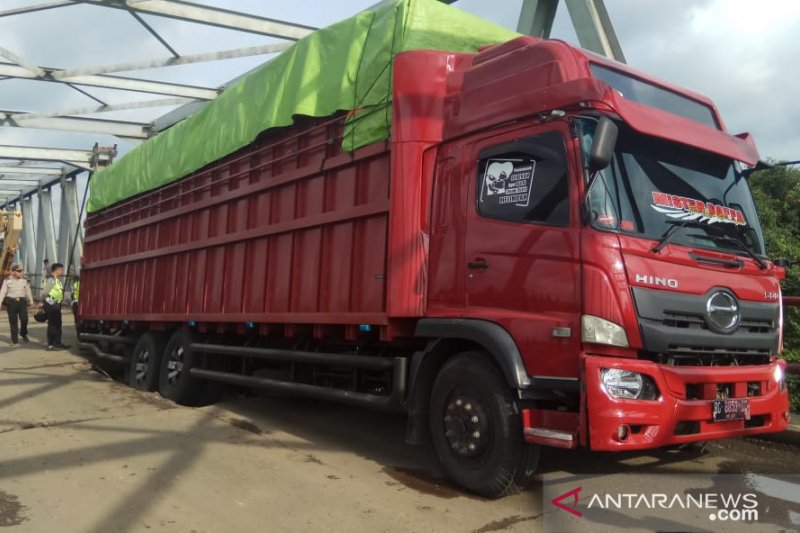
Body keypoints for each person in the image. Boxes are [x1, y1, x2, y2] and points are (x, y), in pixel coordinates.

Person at [0, 264, 34, 346]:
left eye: (21, 271)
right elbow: (3, 292)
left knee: (24, 319)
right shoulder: (7, 280)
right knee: (13, 322)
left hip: (22, 302)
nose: (21, 273)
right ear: (13, 272)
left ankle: (23, 333)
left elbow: (28, 291)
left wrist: (31, 301)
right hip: (11, 303)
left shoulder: (24, 281)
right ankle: (14, 340)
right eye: (19, 271)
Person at [42, 262, 69, 351]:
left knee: (58, 324)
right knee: (52, 324)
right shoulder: (51, 280)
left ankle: (58, 342)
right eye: (61, 270)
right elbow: (45, 293)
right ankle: (51, 344)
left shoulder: (57, 281)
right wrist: (49, 303)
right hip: (52, 304)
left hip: (57, 304)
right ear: (57, 270)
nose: (62, 271)